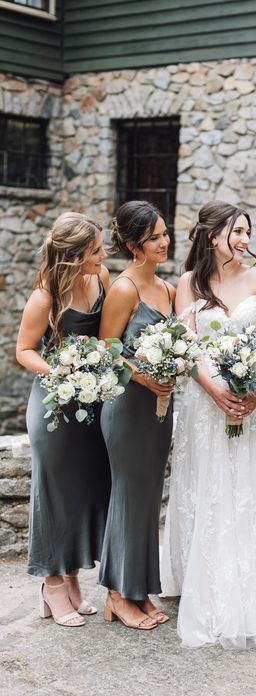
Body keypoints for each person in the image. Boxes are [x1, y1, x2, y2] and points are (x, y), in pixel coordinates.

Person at [161, 200, 256, 652]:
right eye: (236, 232)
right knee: (212, 490)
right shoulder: (188, 282)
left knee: (252, 492)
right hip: (205, 405)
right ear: (212, 234)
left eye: (247, 231)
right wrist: (214, 389)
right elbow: (188, 346)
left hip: (255, 401)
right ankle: (209, 582)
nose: (244, 240)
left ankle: (255, 591)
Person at [16, 212, 110, 627]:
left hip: (91, 407)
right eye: (95, 250)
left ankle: (70, 578)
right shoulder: (45, 296)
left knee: (82, 491)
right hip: (54, 406)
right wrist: (57, 372)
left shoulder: (102, 278)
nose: (103, 254)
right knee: (54, 494)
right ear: (74, 257)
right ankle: (52, 583)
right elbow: (24, 350)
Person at [98, 201, 175, 630]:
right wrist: (144, 378)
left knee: (147, 499)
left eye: (165, 234)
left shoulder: (165, 289)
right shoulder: (124, 288)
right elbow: (106, 346)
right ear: (132, 244)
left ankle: (139, 588)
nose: (164, 242)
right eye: (154, 238)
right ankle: (116, 594)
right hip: (128, 406)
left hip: (159, 410)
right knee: (128, 494)